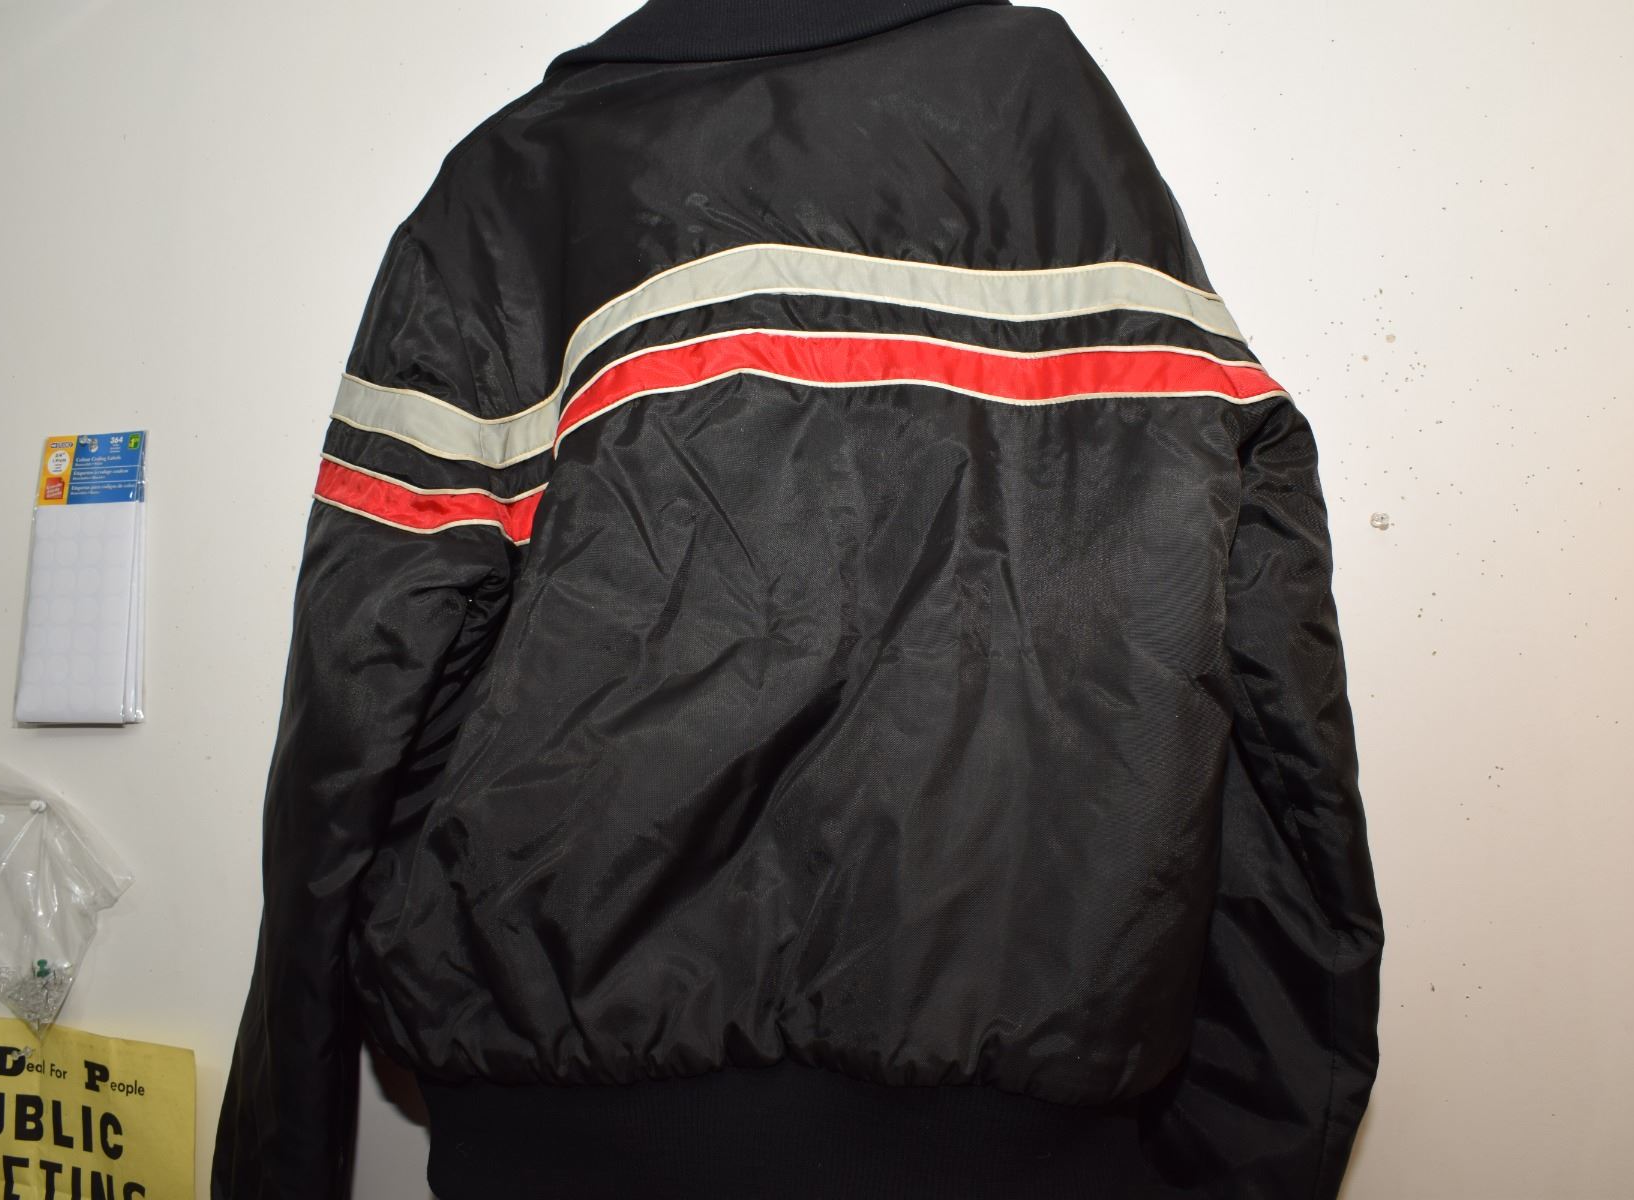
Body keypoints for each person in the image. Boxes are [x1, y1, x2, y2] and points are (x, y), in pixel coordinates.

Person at [213, 2, 1384, 1196]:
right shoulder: (1066, 141)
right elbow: (1265, 657)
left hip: (569, 1123)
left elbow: (361, 680)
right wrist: (1249, 1139)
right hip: (1023, 1125)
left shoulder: (526, 180)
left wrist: (283, 1149)